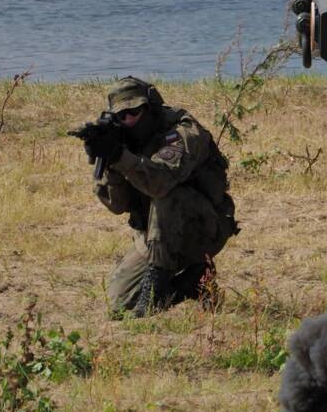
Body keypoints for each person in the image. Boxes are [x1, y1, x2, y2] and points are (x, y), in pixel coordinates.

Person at [79, 76, 238, 317]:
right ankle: (194, 282)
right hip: (155, 236)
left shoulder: (182, 131)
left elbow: (160, 183)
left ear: (151, 105)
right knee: (119, 307)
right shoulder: (124, 139)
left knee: (167, 196)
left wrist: (121, 156)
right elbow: (118, 205)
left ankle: (152, 295)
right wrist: (110, 161)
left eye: (135, 111)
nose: (129, 119)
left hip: (203, 228)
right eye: (122, 116)